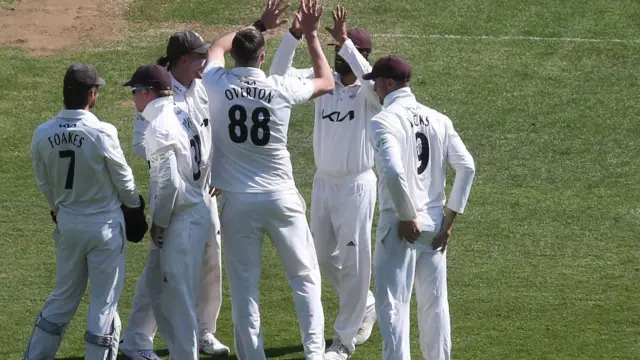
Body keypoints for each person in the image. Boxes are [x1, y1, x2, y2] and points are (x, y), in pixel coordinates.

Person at [201, 0, 334, 358]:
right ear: (262, 58)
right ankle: (315, 353)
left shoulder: (214, 81)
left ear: (237, 58)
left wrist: (259, 24)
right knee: (305, 279)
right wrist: (310, 36)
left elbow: (216, 45)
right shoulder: (279, 88)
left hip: (237, 201)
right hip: (280, 197)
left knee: (245, 289)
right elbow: (326, 80)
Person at [269, 5, 379, 359]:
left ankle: (343, 340)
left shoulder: (369, 93)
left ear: (361, 55)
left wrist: (345, 41)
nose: (340, 57)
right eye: (337, 51)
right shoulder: (323, 78)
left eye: (347, 51)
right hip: (323, 183)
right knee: (319, 255)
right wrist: (294, 35)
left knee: (355, 259)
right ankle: (366, 303)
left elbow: (374, 83)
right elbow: (277, 76)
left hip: (357, 185)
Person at [120, 31, 229, 360]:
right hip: (180, 199)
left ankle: (201, 330)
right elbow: (145, 150)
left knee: (208, 262)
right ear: (182, 60)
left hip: (201, 190)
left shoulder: (195, 87)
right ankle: (142, 338)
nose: (204, 64)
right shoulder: (160, 101)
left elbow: (211, 130)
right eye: (199, 58)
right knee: (166, 277)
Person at [25, 63, 143, 360]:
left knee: (63, 297)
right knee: (104, 304)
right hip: (104, 227)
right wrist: (134, 206)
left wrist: (59, 209)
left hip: (68, 224)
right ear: (92, 95)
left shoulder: (42, 134)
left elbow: (43, 182)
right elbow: (124, 179)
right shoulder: (101, 131)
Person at [365, 55, 476, 360]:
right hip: (436, 227)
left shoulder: (383, 121)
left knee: (393, 307)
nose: (374, 89)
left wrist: (405, 216)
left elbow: (392, 172)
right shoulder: (439, 119)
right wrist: (449, 223)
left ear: (388, 83)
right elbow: (467, 167)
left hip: (400, 227)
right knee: (436, 306)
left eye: (376, 82)